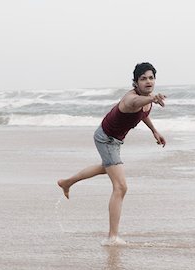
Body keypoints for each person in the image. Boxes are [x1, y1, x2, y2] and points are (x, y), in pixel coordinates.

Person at [57, 62, 166, 246]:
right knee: (121, 187)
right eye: (143, 78)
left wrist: (154, 131)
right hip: (106, 139)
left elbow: (143, 113)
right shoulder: (132, 99)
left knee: (105, 168)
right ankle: (112, 237)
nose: (148, 81)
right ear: (135, 82)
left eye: (151, 78)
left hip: (113, 140)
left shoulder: (146, 99)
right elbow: (136, 104)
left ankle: (66, 182)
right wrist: (153, 98)